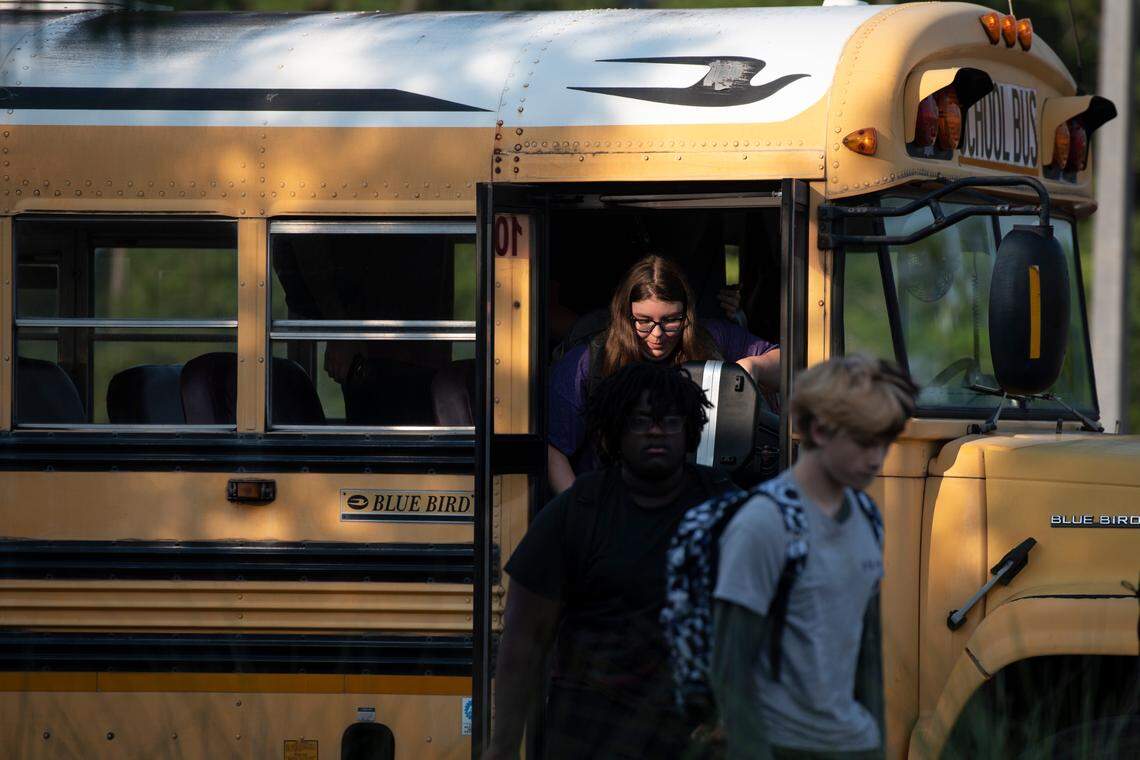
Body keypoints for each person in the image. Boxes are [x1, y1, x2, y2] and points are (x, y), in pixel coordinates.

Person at [486, 363, 737, 760]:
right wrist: (501, 746)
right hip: (591, 727)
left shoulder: (726, 509)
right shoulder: (578, 511)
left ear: (689, 429)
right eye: (640, 421)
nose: (656, 431)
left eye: (669, 421)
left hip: (694, 731)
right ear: (615, 431)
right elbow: (523, 638)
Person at [710, 356, 918, 760]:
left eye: (885, 442)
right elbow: (730, 668)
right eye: (864, 442)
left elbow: (866, 649)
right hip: (785, 745)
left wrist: (874, 742)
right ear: (820, 430)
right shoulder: (763, 523)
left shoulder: (866, 515)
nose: (878, 458)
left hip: (853, 742)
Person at [548, 254, 780, 493]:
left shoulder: (711, 339)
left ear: (687, 315)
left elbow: (786, 364)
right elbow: (554, 450)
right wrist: (584, 512)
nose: (657, 334)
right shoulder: (588, 361)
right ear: (624, 316)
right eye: (644, 321)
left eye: (670, 321)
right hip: (616, 505)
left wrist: (754, 366)